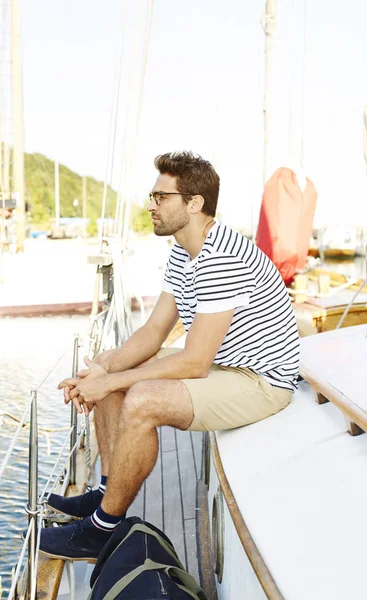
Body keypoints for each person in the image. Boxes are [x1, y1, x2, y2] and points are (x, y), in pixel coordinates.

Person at [39, 151, 300, 561]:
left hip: (261, 380)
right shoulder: (183, 250)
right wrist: (105, 371)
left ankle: (101, 531)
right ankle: (106, 497)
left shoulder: (221, 256)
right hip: (223, 364)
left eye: (161, 197)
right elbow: (153, 330)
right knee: (111, 361)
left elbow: (195, 362)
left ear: (194, 204)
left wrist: (111, 383)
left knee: (142, 399)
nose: (150, 205)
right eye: (152, 196)